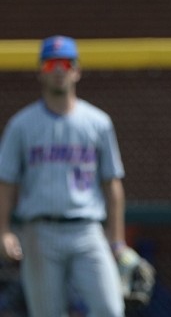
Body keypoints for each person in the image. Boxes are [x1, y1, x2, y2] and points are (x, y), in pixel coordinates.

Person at [0, 35, 137, 317]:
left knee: (111, 309)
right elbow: (6, 184)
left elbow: (112, 184)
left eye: (65, 63)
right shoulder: (21, 125)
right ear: (41, 71)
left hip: (87, 230)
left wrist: (117, 241)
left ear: (76, 70)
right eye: (51, 64)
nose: (59, 70)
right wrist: (3, 231)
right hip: (39, 231)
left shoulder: (98, 122)